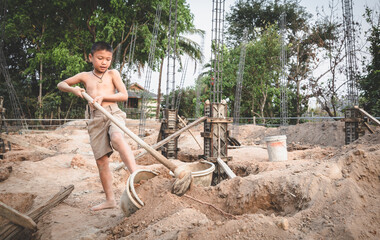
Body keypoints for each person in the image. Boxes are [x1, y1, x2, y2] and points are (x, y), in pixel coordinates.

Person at [57, 41, 137, 211]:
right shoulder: (85, 76)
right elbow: (61, 84)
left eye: (108, 59)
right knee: (102, 161)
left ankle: (136, 173)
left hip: (113, 113)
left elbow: (124, 95)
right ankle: (110, 200)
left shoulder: (113, 74)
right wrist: (74, 90)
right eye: (100, 58)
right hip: (95, 119)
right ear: (90, 57)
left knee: (116, 137)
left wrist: (104, 97)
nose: (104, 63)